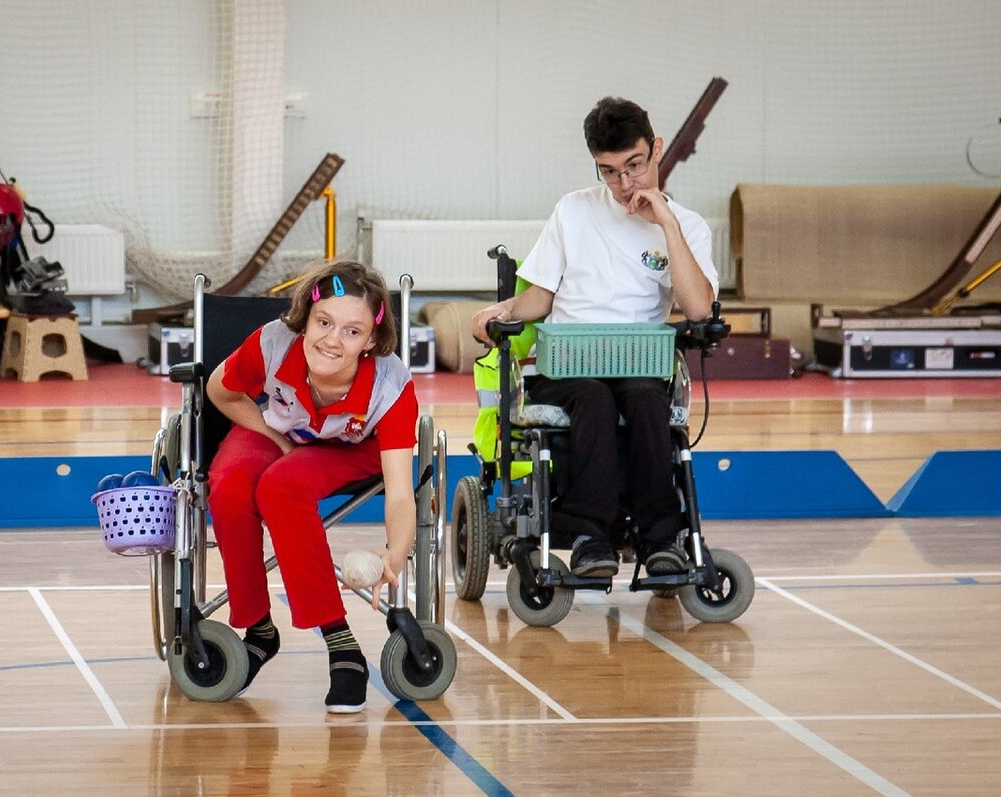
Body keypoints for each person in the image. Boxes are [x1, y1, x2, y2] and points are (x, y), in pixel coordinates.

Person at [471, 96, 719, 579]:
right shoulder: (574, 210)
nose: (625, 183)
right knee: (593, 399)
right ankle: (588, 536)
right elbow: (539, 298)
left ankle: (662, 539)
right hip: (565, 366)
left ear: (657, 150)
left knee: (647, 403)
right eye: (609, 171)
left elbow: (699, 309)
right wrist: (501, 310)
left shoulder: (687, 227)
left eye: (636, 166)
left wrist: (666, 223)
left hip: (639, 365)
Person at [205, 260, 417, 713]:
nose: (332, 340)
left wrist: (395, 552)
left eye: (352, 331)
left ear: (372, 341)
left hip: (353, 448)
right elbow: (219, 391)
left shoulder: (392, 387)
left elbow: (400, 491)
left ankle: (341, 644)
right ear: (306, 319)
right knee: (228, 485)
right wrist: (275, 437)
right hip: (281, 429)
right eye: (324, 322)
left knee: (282, 487)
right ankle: (259, 629)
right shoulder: (273, 343)